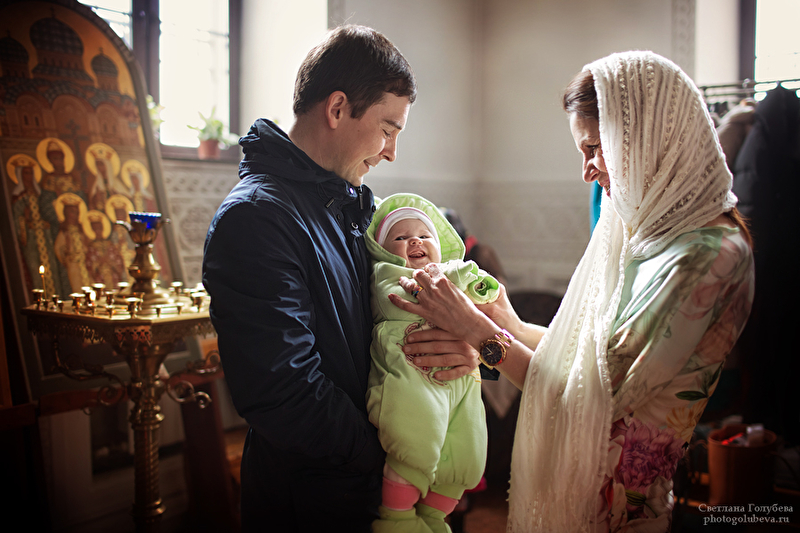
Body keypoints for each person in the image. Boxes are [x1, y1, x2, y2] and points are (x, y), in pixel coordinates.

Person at [389, 51, 755, 532]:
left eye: (594, 148)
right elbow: (590, 358)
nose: (587, 172)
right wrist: (510, 324)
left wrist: (478, 333)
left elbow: (589, 400)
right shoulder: (647, 236)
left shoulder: (708, 255)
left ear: (647, 139)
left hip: (621, 513)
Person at [203, 25, 429, 532]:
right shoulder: (256, 218)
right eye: (388, 129)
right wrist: (385, 456)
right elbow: (284, 391)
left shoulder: (348, 203)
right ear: (337, 108)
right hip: (311, 498)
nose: (391, 151)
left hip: (366, 486)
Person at [365, 193, 499, 532]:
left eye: (425, 235)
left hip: (461, 383)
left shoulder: (449, 280)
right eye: (401, 237)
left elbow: (485, 304)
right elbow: (399, 296)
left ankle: (435, 518)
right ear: (383, 251)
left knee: (466, 447)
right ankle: (397, 518)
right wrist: (454, 278)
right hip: (413, 376)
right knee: (414, 437)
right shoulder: (387, 275)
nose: (415, 241)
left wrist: (478, 286)